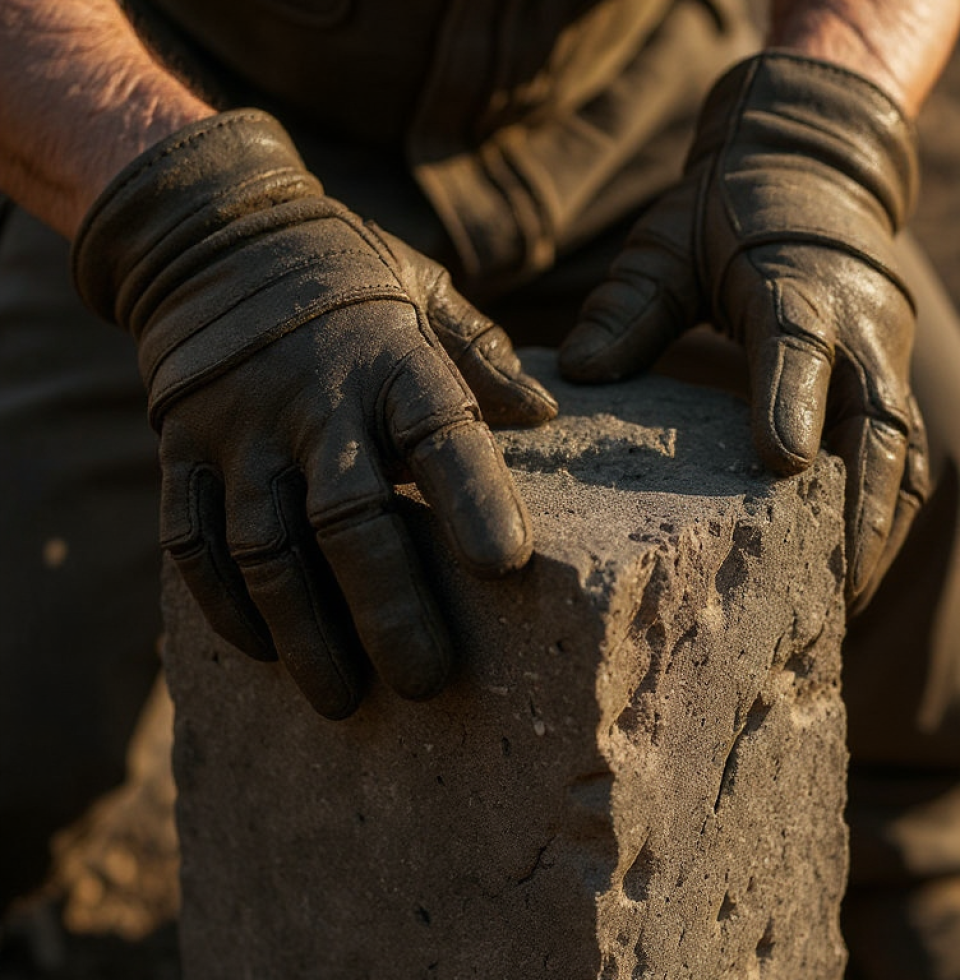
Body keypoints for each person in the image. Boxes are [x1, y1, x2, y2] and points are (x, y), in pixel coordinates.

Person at [1, 0, 959, 975]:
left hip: (629, 115)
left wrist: (825, 128)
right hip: (183, 132)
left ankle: (914, 880)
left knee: (926, 468)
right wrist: (188, 232)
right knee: (22, 710)